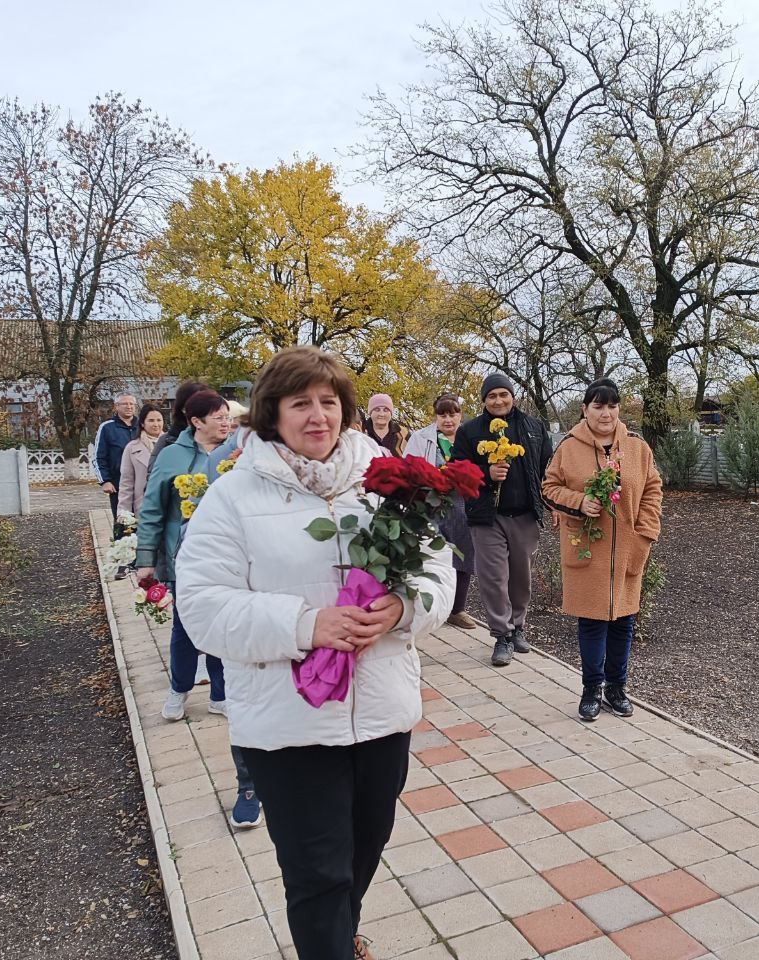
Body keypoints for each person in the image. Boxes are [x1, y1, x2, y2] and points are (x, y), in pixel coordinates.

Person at [175, 346, 454, 960]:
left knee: (362, 852)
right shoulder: (233, 497)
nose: (317, 415)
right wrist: (306, 625)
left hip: (381, 714)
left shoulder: (388, 484)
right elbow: (201, 606)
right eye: (300, 402)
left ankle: (340, 936)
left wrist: (405, 609)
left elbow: (438, 570)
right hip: (289, 726)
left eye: (329, 401)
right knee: (317, 874)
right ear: (272, 413)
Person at [134, 390, 261, 829]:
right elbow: (152, 507)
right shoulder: (172, 457)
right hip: (183, 554)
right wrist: (145, 558)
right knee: (187, 627)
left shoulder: (241, 452)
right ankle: (179, 689)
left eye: (229, 415)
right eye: (216, 416)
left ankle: (221, 694)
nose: (225, 421)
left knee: (230, 636)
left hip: (239, 560)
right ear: (194, 420)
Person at [543, 379, 662, 721]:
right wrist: (580, 502)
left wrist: (646, 532)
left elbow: (653, 489)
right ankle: (591, 689)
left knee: (624, 621)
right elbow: (549, 488)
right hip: (587, 551)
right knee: (592, 623)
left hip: (628, 548)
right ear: (585, 409)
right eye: (598, 406)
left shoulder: (638, 448)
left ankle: (617, 688)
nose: (605, 413)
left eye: (611, 405)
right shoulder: (568, 447)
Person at [452, 373, 553, 667]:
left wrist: (554, 504)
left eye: (503, 394)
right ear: (484, 400)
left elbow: (548, 467)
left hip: (524, 514)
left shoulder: (534, 427)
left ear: (512, 396)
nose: (498, 400)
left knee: (521, 577)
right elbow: (458, 473)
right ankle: (501, 635)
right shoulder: (470, 431)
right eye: (492, 396)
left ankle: (518, 626)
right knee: (493, 577)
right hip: (487, 517)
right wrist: (487, 474)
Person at [404, 393, 478, 629]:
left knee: (464, 554)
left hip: (462, 504)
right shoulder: (421, 438)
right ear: (435, 416)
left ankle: (457, 609)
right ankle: (431, 607)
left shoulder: (470, 437)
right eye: (442, 414)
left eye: (453, 414)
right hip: (431, 504)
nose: (448, 419)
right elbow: (408, 467)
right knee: (432, 553)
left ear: (460, 415)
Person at [93, 394, 138, 528]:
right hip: (119, 485)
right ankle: (121, 548)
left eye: (132, 404)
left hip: (143, 483)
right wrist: (105, 481)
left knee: (143, 522)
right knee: (123, 523)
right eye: (125, 404)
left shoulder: (143, 425)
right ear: (116, 406)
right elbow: (98, 457)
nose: (129, 407)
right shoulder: (107, 428)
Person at [117, 403, 165, 517]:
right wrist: (124, 514)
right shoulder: (132, 448)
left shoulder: (173, 445)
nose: (156, 424)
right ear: (142, 423)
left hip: (169, 506)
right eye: (151, 420)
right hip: (144, 507)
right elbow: (126, 483)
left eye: (159, 420)